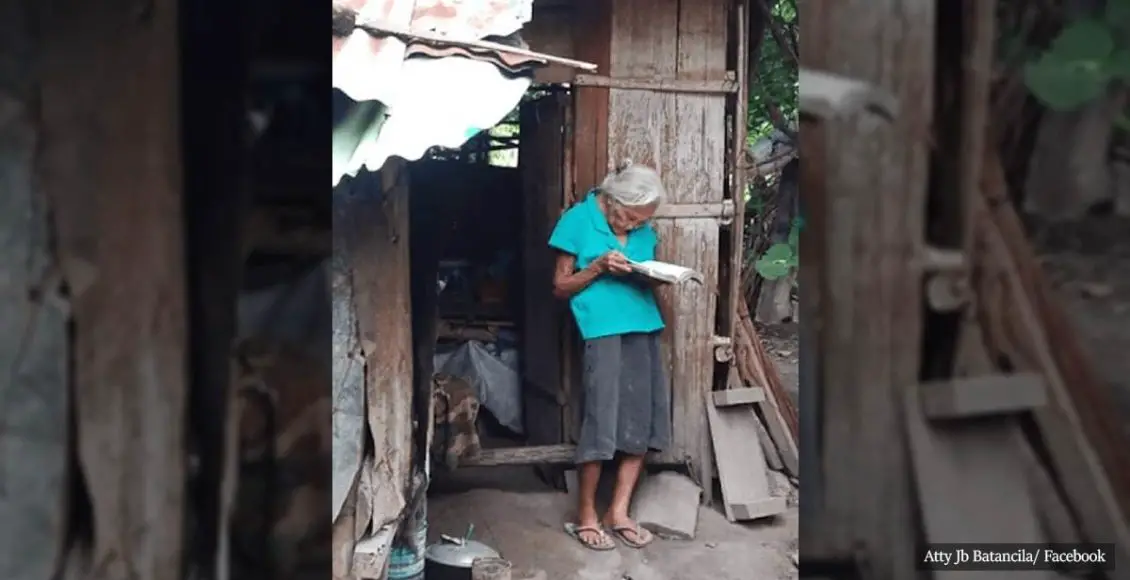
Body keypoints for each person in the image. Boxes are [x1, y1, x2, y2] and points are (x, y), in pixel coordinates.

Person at [549, 160, 670, 551]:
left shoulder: (641, 225)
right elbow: (561, 286)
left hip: (644, 325)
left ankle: (618, 512)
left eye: (642, 222)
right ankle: (585, 514)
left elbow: (647, 270)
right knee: (601, 419)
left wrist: (655, 273)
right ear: (614, 202)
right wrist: (599, 266)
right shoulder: (578, 220)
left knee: (640, 419)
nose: (636, 226)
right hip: (601, 329)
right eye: (631, 218)